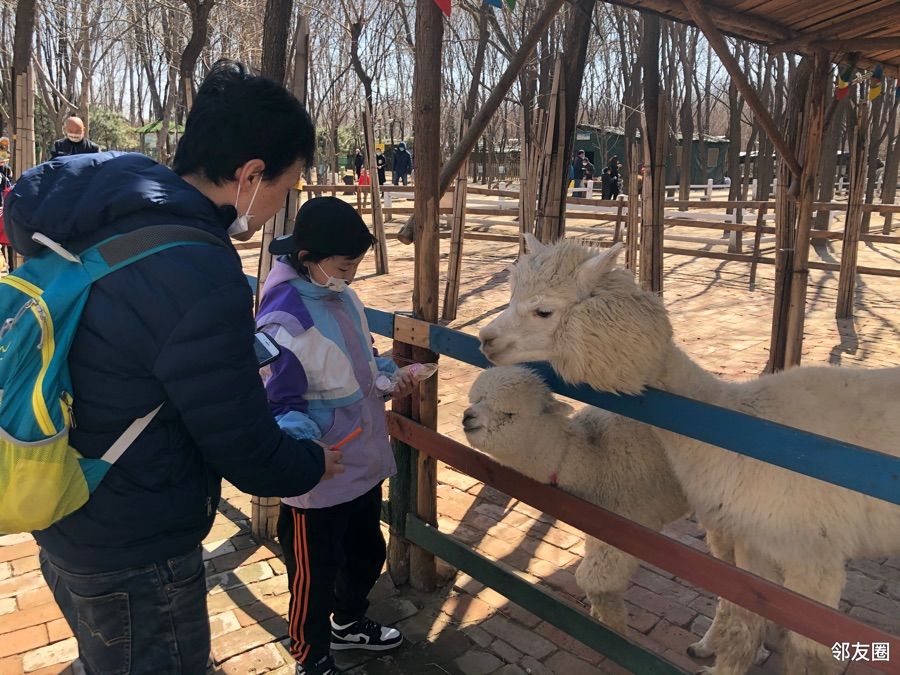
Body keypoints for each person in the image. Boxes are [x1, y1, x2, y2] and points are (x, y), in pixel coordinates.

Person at [4, 59, 342, 675]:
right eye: (283, 189)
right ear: (250, 175)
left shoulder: (105, 217)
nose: (278, 209)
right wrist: (312, 459)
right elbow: (243, 447)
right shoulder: (198, 270)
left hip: (61, 497)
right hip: (135, 543)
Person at [258, 197, 415, 675]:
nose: (350, 275)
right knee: (313, 575)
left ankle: (349, 622)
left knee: (367, 553)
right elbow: (278, 402)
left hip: (362, 461)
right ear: (308, 260)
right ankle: (312, 654)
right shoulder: (283, 318)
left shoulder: (340, 293)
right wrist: (308, 452)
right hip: (320, 474)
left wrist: (390, 375)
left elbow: (358, 358)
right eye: (344, 266)